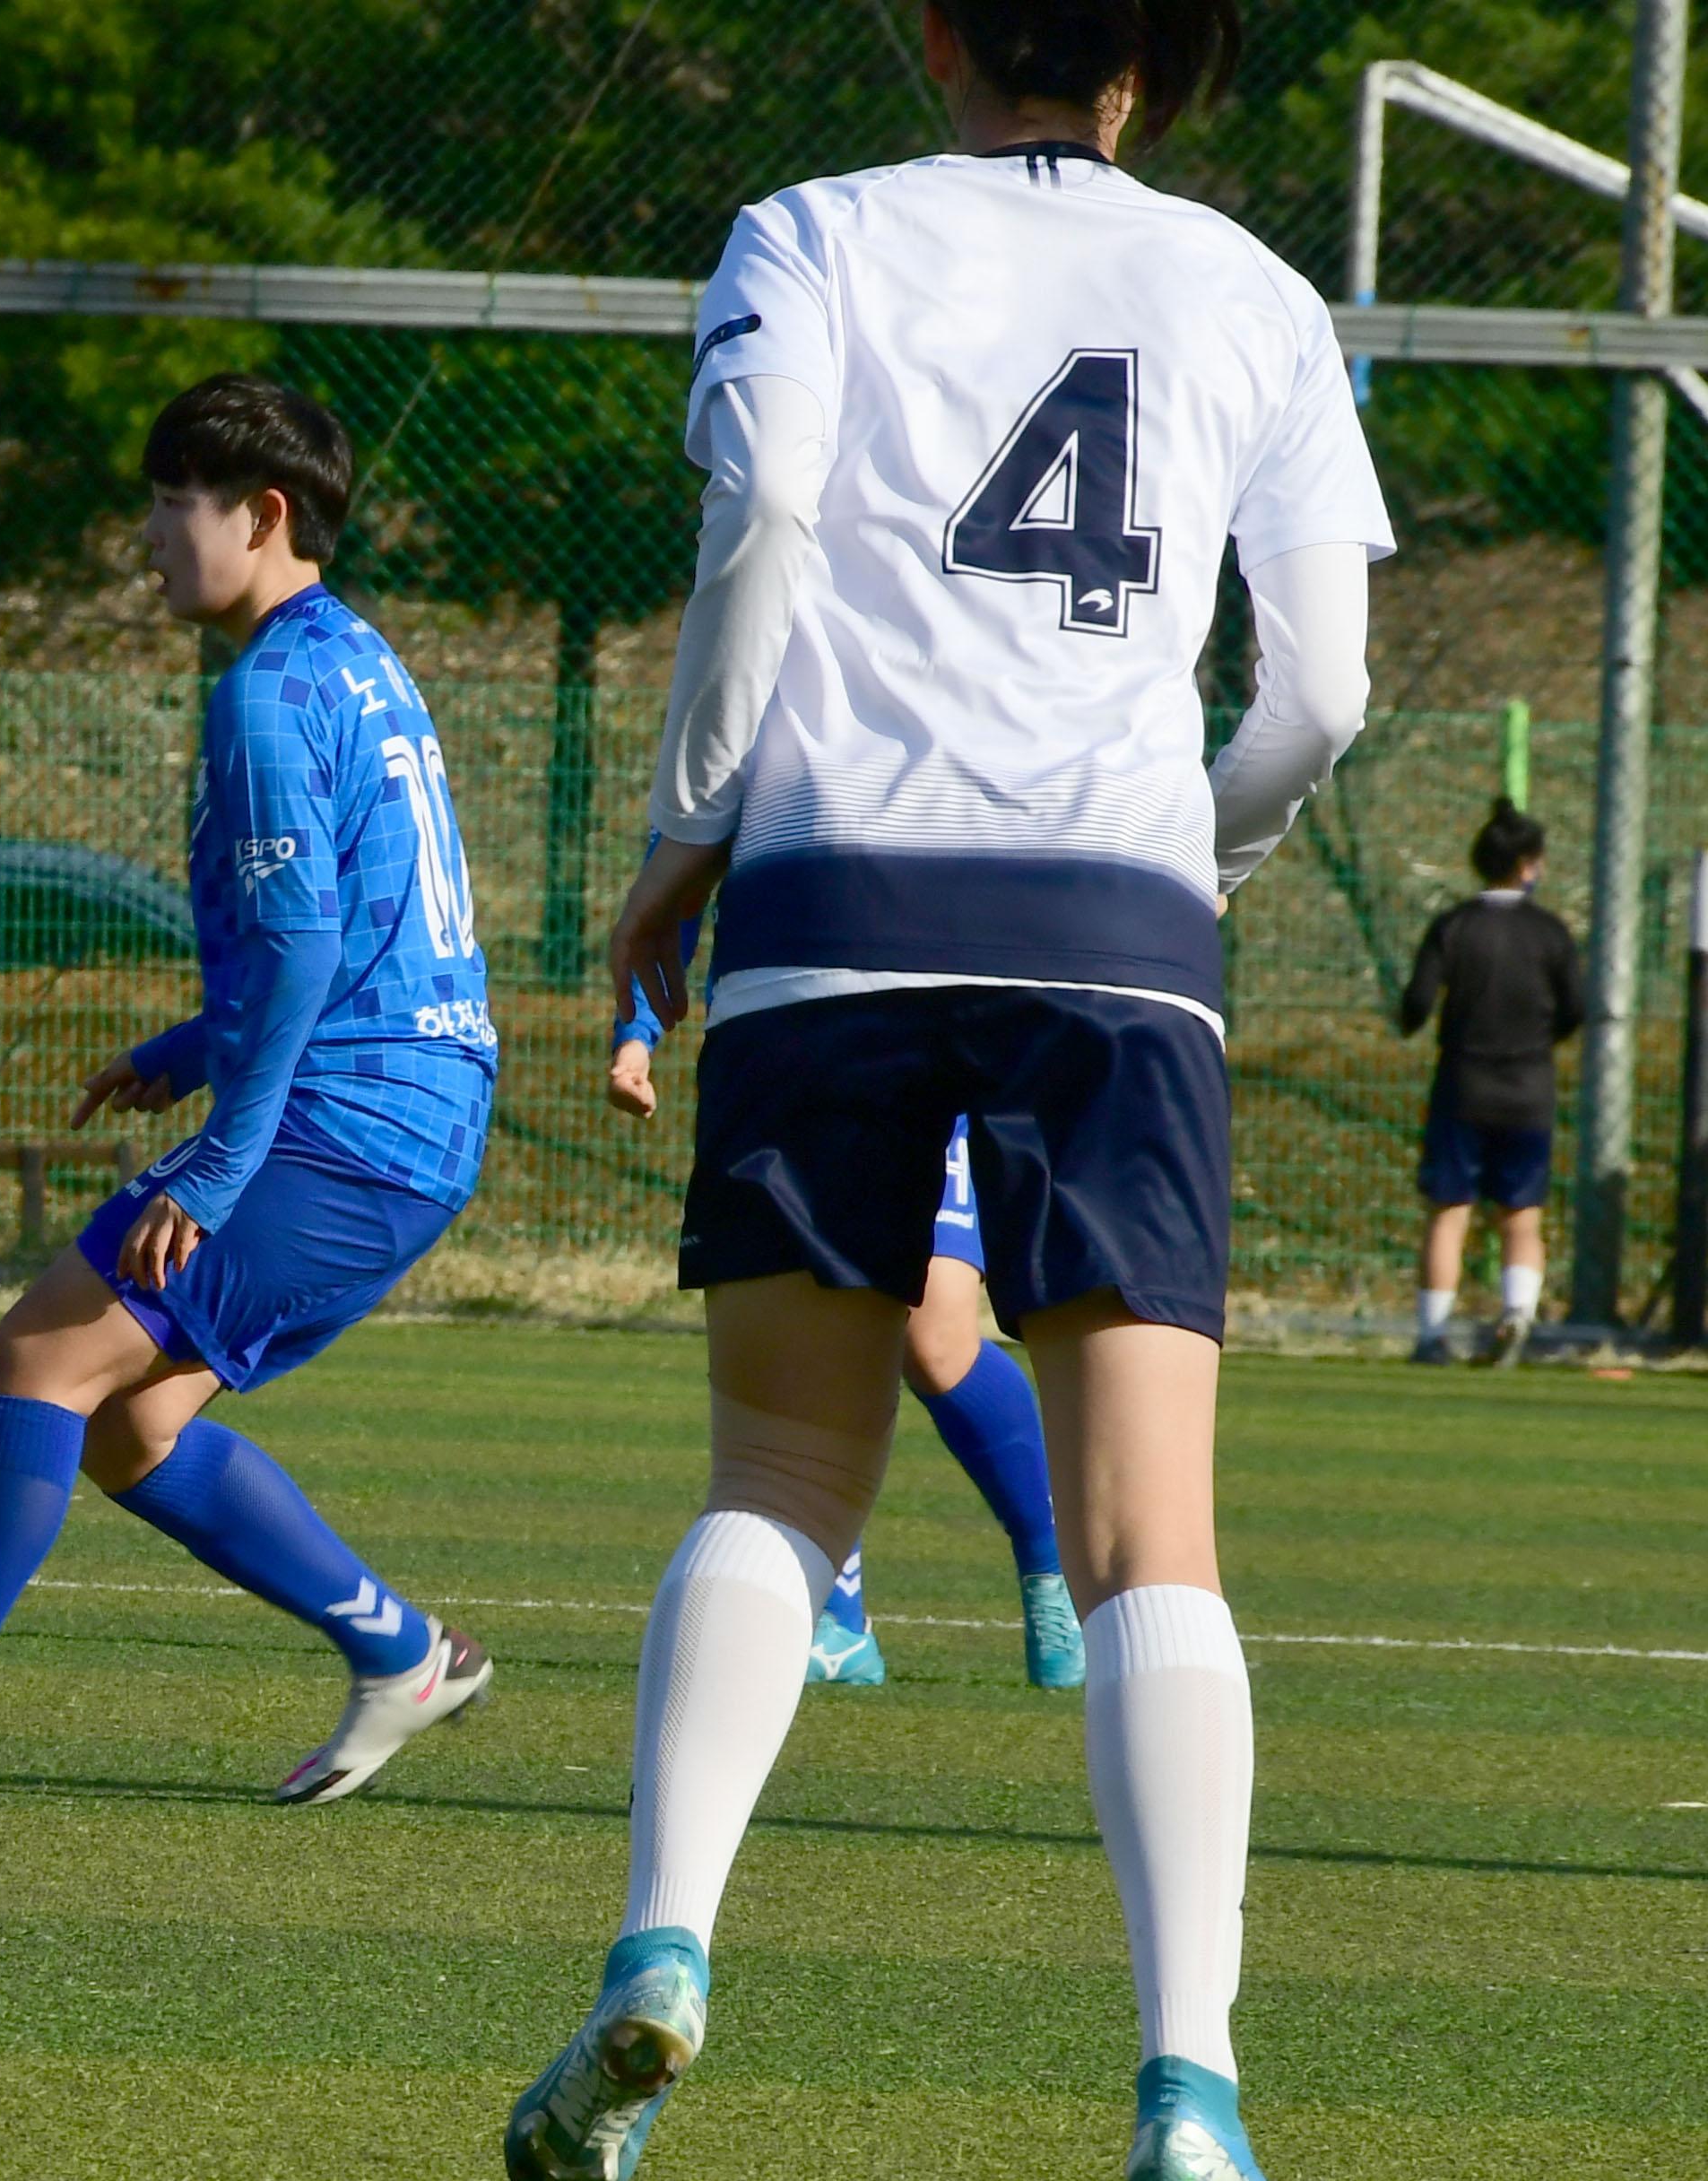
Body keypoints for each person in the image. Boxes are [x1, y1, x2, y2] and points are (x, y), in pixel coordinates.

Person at [503, 3, 1387, 2177]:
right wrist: (1197, 856)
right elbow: (1329, 689)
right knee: (1145, 1534)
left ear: (929, 29)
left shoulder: (806, 231)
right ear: (1167, 62)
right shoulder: (1256, 292)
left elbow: (772, 509)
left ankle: (661, 1948)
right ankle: (1191, 2086)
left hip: (834, 908)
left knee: (784, 1472)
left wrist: (681, 840)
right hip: (1118, 926)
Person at [0, 374, 499, 1805]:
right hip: (416, 1118)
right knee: (132, 1427)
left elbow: (308, 947)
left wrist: (213, 1166)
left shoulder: (263, 697)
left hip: (349, 1127)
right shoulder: (358, 660)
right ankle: (401, 1652)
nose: (147, 538)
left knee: (39, 1358)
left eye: (169, 505)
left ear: (261, 516)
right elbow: (355, 933)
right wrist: (189, 1052)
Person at [614, 958, 1081, 1691]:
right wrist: (636, 1032)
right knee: (803, 1329)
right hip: (779, 1051)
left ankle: (1051, 1568)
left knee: (933, 1336)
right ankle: (838, 1621)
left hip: (927, 1040)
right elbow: (671, 878)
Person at [1400, 798, 1581, 1367]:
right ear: (1529, 864)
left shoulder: (1454, 926)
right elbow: (1578, 1007)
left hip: (1462, 1086)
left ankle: (1432, 1335)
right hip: (1529, 1089)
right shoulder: (1550, 933)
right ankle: (1517, 1316)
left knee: (1450, 1209)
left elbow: (1417, 1005)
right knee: (1521, 1215)